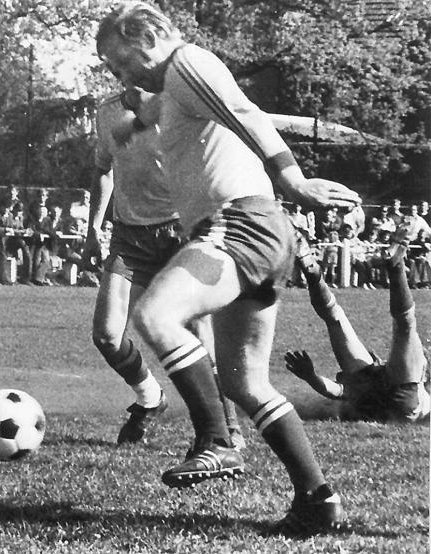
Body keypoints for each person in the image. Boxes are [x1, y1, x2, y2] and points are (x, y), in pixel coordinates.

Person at [96, 2, 361, 536]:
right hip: (249, 230)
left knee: (155, 316)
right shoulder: (172, 87)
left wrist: (294, 180)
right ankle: (317, 497)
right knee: (244, 380)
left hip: (240, 221)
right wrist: (129, 126)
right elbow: (148, 115)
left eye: (120, 62)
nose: (121, 75)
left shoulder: (189, 61)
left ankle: (217, 441)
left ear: (148, 38)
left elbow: (246, 114)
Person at [83, 88, 245, 452]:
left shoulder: (178, 106)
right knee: (107, 336)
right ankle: (150, 397)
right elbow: (103, 171)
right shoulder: (107, 111)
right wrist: (94, 229)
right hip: (129, 238)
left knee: (199, 330)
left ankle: (227, 428)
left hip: (180, 232)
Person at [285, 243, 429, 422]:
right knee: (404, 327)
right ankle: (395, 266)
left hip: (383, 397)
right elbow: (336, 392)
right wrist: (311, 377)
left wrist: (311, 376)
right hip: (397, 402)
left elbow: (338, 391)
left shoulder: (366, 380)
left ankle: (314, 276)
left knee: (337, 318)